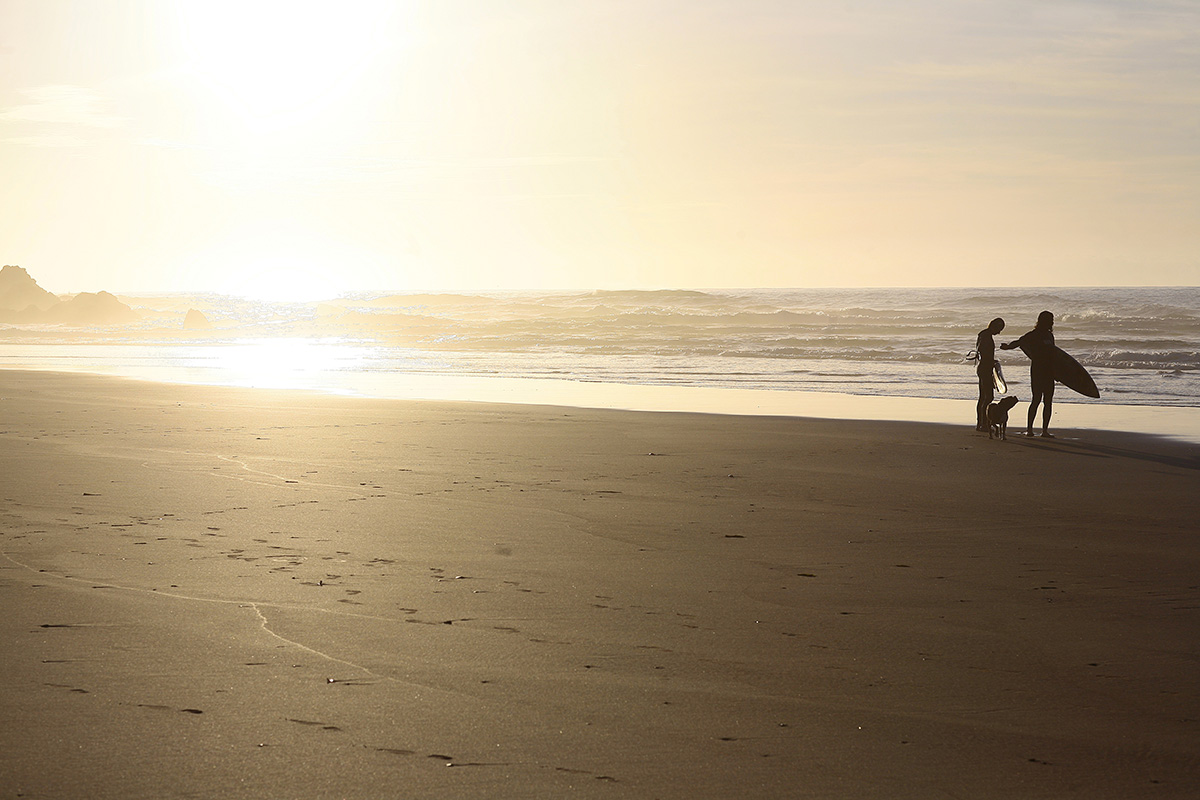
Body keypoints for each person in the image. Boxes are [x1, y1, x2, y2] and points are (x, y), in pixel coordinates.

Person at [1002, 310, 1055, 437]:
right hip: (1038, 370)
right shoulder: (1034, 334)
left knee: (1048, 401)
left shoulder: (1049, 336)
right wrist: (1007, 347)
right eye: (1050, 320)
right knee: (1036, 400)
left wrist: (1058, 372)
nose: (1052, 322)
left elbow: (1054, 355)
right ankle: (1030, 430)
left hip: (1049, 371)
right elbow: (1019, 342)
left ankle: (1044, 431)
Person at [973, 317, 1005, 431]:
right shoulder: (986, 336)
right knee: (988, 397)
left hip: (983, 367)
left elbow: (981, 352)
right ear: (994, 326)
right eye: (999, 328)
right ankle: (984, 424)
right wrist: (991, 361)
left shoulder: (983, 334)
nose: (999, 332)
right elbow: (984, 352)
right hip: (985, 368)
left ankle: (980, 423)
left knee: (983, 397)